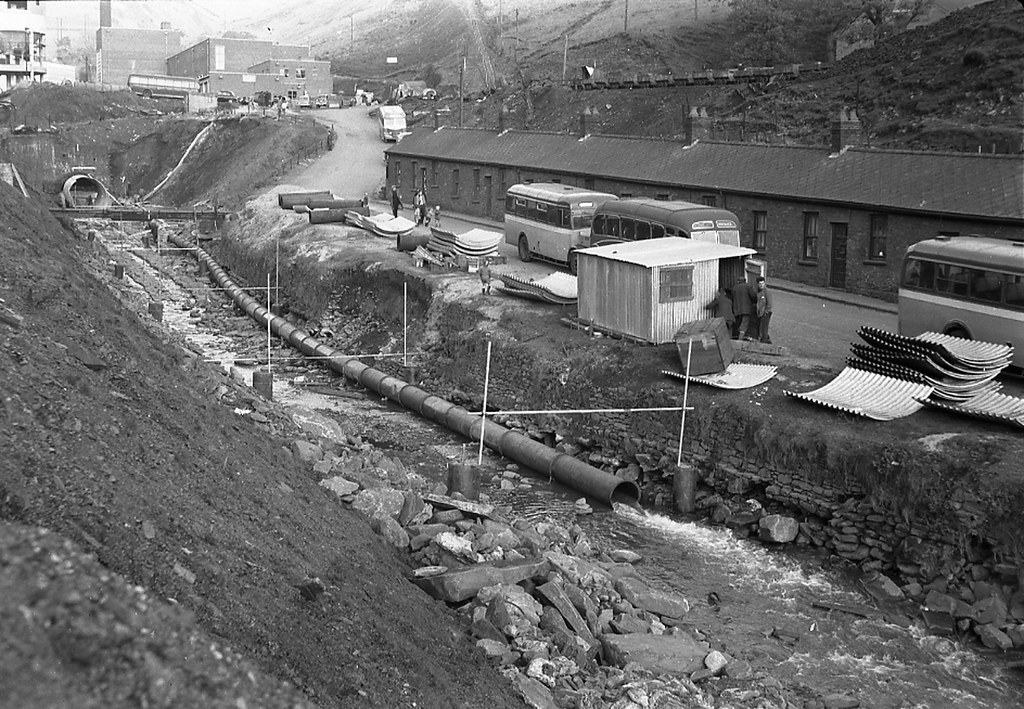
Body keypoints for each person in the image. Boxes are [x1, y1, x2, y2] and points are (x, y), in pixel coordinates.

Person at [731, 275, 756, 340]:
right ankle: (740, 339)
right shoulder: (748, 286)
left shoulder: (734, 288)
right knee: (744, 323)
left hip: (736, 310)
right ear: (745, 281)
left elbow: (732, 298)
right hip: (746, 309)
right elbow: (753, 296)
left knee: (738, 323)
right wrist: (754, 302)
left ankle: (736, 337)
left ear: (738, 281)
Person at [756, 276, 773, 344]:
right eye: (760, 284)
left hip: (766, 312)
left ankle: (764, 338)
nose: (761, 285)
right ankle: (763, 337)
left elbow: (769, 303)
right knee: (762, 325)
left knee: (765, 326)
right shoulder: (758, 291)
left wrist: (766, 311)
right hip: (760, 312)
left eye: (762, 283)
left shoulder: (767, 291)